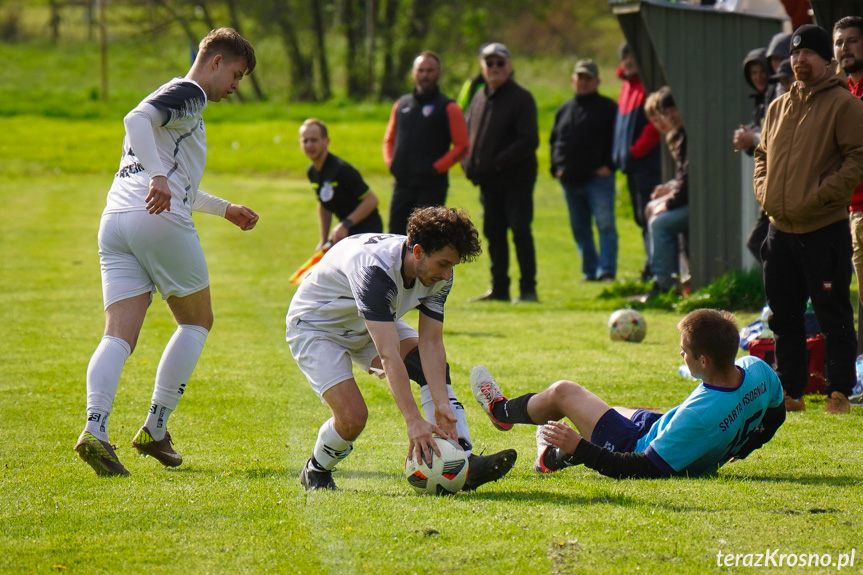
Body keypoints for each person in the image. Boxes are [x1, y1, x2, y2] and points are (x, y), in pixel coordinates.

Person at [74, 28, 259, 477]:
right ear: (215, 61)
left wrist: (224, 208)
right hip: (155, 218)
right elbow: (134, 121)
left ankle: (94, 429)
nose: (236, 86)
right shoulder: (191, 92)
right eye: (236, 74)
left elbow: (177, 179)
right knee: (197, 321)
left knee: (118, 335)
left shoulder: (174, 98)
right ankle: (155, 429)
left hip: (115, 219)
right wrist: (158, 179)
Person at [286, 206, 517, 491]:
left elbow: (431, 342)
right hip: (316, 328)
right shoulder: (374, 272)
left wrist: (442, 403)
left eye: (452, 266)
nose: (447, 275)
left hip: (369, 320)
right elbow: (388, 354)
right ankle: (316, 470)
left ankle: (462, 462)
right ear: (418, 252)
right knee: (353, 418)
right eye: (443, 264)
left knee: (426, 365)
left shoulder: (439, 276)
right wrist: (414, 421)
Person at [470, 309, 786, 479]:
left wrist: (579, 446)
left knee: (565, 393)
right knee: (620, 409)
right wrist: (743, 448)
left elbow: (638, 468)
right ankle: (551, 459)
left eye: (684, 351)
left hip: (633, 447)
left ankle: (501, 413)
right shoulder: (757, 370)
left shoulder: (700, 417)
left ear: (704, 360)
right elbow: (776, 414)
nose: (680, 355)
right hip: (664, 428)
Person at [755, 23, 863, 414]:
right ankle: (790, 392)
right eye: (795, 54)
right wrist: (764, 193)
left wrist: (822, 195)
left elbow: (857, 158)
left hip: (824, 229)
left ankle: (838, 391)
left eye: (808, 54)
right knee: (783, 316)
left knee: (833, 314)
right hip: (779, 230)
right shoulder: (778, 106)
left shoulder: (845, 105)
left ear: (826, 60)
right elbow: (761, 155)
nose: (799, 60)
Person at [461, 42, 540, 304]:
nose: (495, 68)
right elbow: (470, 136)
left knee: (519, 231)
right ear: (482, 67)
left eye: (500, 63)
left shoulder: (521, 98)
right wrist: (468, 164)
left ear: (510, 66)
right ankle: (500, 288)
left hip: (516, 180)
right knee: (494, 233)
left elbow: (528, 140)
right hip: (489, 183)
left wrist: (494, 163)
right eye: (489, 63)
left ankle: (528, 289)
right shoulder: (480, 96)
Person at [383, 51, 469, 236]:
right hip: (402, 184)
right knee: (394, 238)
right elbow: (389, 139)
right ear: (414, 73)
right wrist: (392, 163)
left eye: (430, 70)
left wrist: (435, 168)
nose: (425, 75)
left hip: (431, 186)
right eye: (421, 70)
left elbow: (462, 146)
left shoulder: (449, 107)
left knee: (426, 239)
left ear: (439, 73)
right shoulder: (401, 104)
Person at [549, 58, 619, 282]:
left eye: (589, 78)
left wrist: (610, 165)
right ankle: (589, 271)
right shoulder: (565, 109)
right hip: (570, 180)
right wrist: (556, 168)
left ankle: (606, 270)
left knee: (605, 224)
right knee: (580, 229)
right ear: (573, 80)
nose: (584, 82)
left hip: (598, 179)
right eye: (580, 77)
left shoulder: (609, 108)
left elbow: (618, 140)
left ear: (598, 81)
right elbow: (555, 141)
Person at [612, 43, 662, 281]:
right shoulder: (626, 87)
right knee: (640, 218)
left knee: (649, 216)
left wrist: (634, 151)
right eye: (625, 57)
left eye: (632, 56)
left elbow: (653, 126)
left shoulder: (645, 86)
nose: (628, 61)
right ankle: (650, 264)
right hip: (632, 166)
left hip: (645, 164)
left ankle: (655, 267)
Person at [300, 118, 383, 250]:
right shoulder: (312, 171)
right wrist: (323, 239)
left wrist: (345, 224)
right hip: (345, 234)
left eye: (314, 140)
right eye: (305, 140)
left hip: (367, 233)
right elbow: (324, 204)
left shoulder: (341, 170)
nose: (309, 145)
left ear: (326, 141)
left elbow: (371, 200)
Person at [834, 16, 863, 357]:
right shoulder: (846, 92)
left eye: (852, 41)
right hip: (852, 210)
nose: (845, 49)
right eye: (839, 43)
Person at [643, 87, 689, 299]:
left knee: (659, 223)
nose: (671, 116)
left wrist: (667, 203)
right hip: (689, 201)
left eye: (674, 110)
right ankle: (663, 277)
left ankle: (664, 284)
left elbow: (688, 184)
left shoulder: (687, 136)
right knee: (655, 214)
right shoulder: (680, 136)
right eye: (666, 112)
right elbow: (683, 180)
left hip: (698, 206)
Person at [733, 48, 771, 262]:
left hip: (780, 181)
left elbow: (775, 138)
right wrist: (744, 140)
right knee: (761, 243)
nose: (758, 77)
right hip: (768, 182)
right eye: (753, 73)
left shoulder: (776, 97)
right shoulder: (761, 101)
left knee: (759, 242)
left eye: (761, 71)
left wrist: (751, 138)